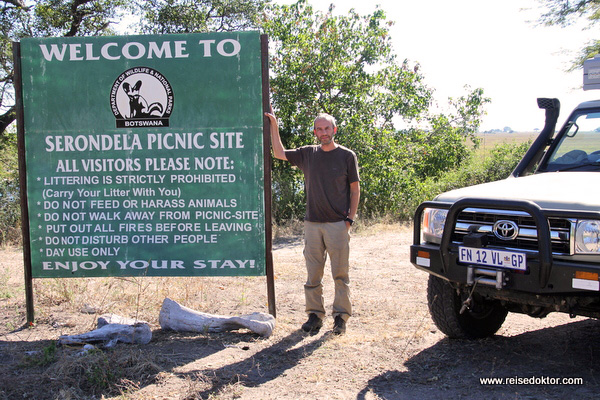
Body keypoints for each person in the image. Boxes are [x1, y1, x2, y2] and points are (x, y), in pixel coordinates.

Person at [265, 110, 360, 335]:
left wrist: (350, 220)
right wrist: (274, 124)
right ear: (315, 132)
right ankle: (315, 315)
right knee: (313, 274)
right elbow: (278, 152)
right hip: (312, 224)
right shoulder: (308, 154)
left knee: (340, 274)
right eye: (319, 129)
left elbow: (355, 190)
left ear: (334, 130)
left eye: (327, 128)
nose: (323, 132)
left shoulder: (347, 156)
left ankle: (340, 318)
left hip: (338, 224)